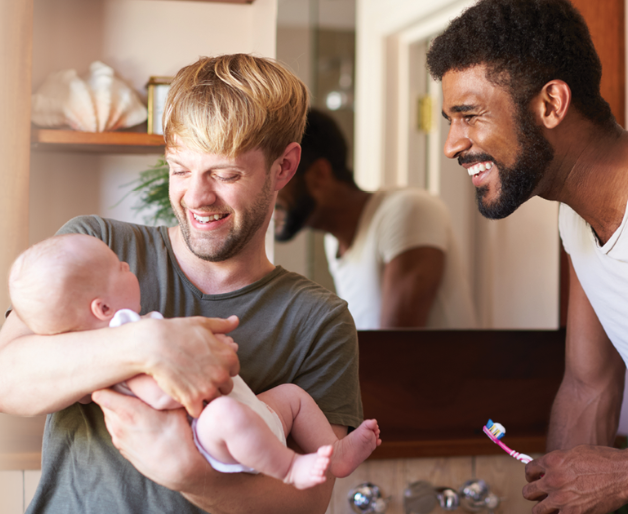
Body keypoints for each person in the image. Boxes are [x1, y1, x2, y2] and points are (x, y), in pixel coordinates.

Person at [0, 54, 363, 514]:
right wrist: (149, 345)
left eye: (225, 173)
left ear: (284, 167)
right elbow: (5, 377)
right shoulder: (96, 249)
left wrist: (189, 475)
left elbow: (308, 501)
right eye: (179, 169)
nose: (196, 196)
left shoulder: (317, 319)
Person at [427, 0, 628, 512]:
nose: (452, 144)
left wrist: (621, 476)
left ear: (551, 104)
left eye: (469, 115)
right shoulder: (576, 216)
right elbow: (589, 388)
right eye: (451, 120)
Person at [8, 233, 381, 491]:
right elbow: (158, 397)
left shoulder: (322, 316)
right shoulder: (116, 337)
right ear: (103, 308)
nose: (126, 264)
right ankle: (289, 466)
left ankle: (336, 455)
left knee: (291, 396)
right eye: (118, 268)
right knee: (226, 416)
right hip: (210, 437)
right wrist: (187, 374)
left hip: (253, 412)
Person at [275, 108, 476, 329]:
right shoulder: (334, 241)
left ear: (319, 175)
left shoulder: (407, 209)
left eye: (280, 174)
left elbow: (393, 349)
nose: (268, 194)